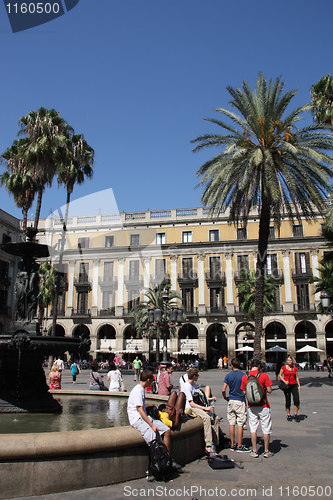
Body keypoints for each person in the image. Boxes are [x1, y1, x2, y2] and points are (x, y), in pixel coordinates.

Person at [127, 369, 182, 471]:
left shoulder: (140, 389)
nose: (152, 383)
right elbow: (140, 410)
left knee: (166, 430)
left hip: (145, 417)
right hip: (137, 419)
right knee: (154, 438)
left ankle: (169, 459)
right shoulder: (138, 390)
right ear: (148, 380)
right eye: (151, 381)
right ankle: (161, 463)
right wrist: (151, 424)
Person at [240, 359, 273, 458]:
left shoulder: (245, 376)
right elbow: (270, 390)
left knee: (253, 428)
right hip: (263, 405)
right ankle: (266, 451)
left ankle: (254, 450)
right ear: (259, 366)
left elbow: (244, 391)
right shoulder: (263, 375)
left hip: (251, 406)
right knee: (266, 428)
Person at [182, 367, 220, 455]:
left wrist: (210, 399)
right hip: (191, 408)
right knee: (206, 418)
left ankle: (216, 442)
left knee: (216, 418)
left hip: (198, 406)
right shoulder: (187, 386)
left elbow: (200, 397)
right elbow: (191, 404)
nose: (198, 377)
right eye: (197, 375)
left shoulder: (194, 384)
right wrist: (205, 409)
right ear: (194, 376)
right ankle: (208, 445)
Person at [222, 358, 249, 452]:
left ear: (231, 365)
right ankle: (240, 445)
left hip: (231, 400)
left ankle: (232, 444)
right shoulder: (244, 375)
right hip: (240, 400)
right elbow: (246, 389)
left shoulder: (228, 376)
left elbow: (223, 389)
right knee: (240, 423)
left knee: (231, 423)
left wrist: (225, 397)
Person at [278, 355, 301, 422]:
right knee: (288, 400)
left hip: (294, 385)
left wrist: (299, 385)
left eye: (290, 360)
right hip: (287, 386)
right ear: (286, 361)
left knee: (296, 400)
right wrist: (284, 381)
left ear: (292, 361)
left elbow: (297, 377)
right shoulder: (283, 367)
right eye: (288, 360)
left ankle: (295, 414)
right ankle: (288, 414)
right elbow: (280, 375)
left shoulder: (294, 368)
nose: (289, 361)